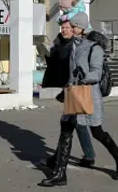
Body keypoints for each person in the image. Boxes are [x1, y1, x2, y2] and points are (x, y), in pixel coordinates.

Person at [39, 12, 118, 188]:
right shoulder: (73, 45)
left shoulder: (94, 48)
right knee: (66, 129)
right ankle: (59, 174)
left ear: (81, 28)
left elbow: (96, 73)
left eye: (73, 26)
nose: (69, 29)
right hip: (74, 93)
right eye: (69, 26)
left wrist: (83, 76)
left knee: (97, 132)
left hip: (89, 95)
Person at [42, 20, 96, 169]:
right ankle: (87, 155)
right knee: (73, 123)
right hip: (68, 87)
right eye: (63, 28)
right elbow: (56, 63)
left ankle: (62, 159)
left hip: (75, 87)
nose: (64, 30)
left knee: (72, 123)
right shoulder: (60, 43)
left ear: (73, 29)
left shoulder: (75, 45)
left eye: (67, 28)